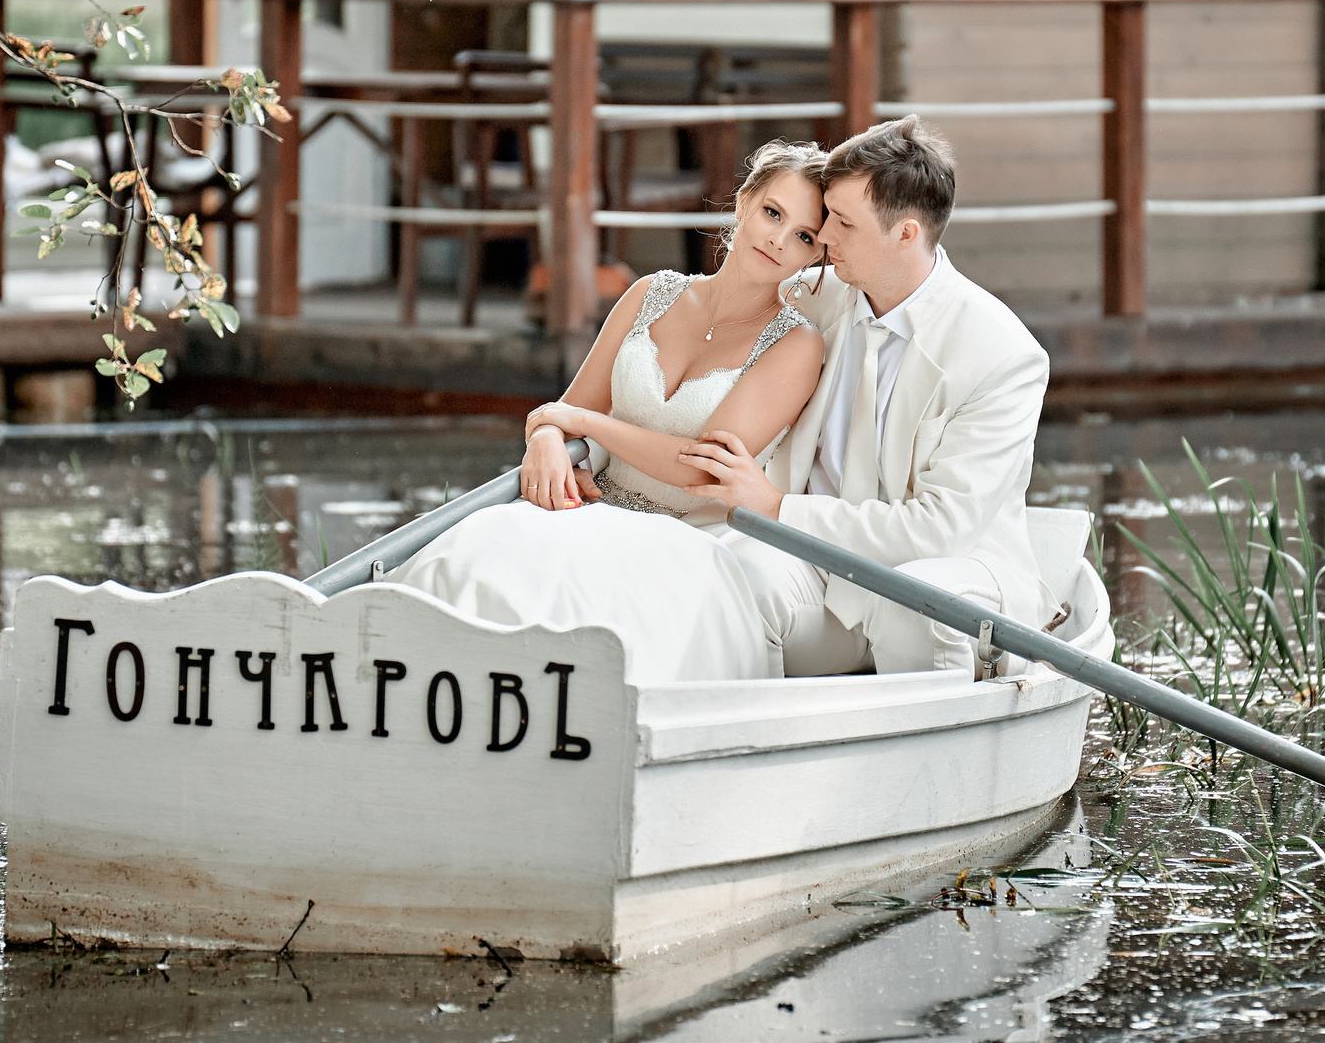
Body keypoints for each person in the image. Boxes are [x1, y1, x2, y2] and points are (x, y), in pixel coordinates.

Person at [385, 141, 831, 682]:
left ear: (815, 254)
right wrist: (548, 439)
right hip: (589, 504)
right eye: (772, 213)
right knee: (470, 561)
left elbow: (700, 468)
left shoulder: (797, 345)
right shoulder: (650, 293)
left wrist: (579, 425)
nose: (779, 240)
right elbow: (565, 409)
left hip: (684, 535)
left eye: (804, 235)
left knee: (583, 613)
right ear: (742, 203)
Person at [680, 117, 1053, 679]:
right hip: (816, 561)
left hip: (945, 566)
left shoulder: (1002, 354)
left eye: (843, 223)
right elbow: (697, 347)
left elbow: (940, 530)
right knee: (724, 576)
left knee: (916, 603)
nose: (822, 237)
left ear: (905, 234)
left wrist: (779, 509)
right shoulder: (810, 301)